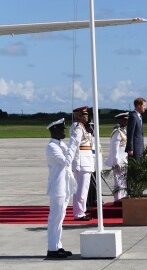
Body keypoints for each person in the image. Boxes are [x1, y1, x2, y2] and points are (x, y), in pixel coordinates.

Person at [46, 118, 73, 258]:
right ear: (54, 130)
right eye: (62, 129)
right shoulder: (52, 147)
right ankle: (52, 248)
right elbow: (66, 162)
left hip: (64, 186)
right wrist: (73, 145)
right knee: (55, 218)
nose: (64, 132)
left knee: (60, 218)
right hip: (57, 187)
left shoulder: (61, 144)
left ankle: (57, 246)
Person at [68, 106, 95, 221]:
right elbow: (75, 146)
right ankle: (78, 213)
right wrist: (76, 163)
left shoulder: (83, 127)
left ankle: (81, 211)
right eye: (85, 115)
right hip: (82, 163)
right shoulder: (78, 128)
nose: (87, 117)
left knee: (84, 189)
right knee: (81, 190)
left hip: (86, 161)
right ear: (78, 116)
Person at [105, 112, 129, 201]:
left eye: (127, 120)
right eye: (125, 120)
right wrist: (116, 161)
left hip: (125, 161)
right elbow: (114, 149)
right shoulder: (117, 132)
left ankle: (123, 198)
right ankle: (118, 200)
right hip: (119, 161)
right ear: (120, 120)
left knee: (124, 183)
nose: (126, 122)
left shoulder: (124, 131)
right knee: (119, 183)